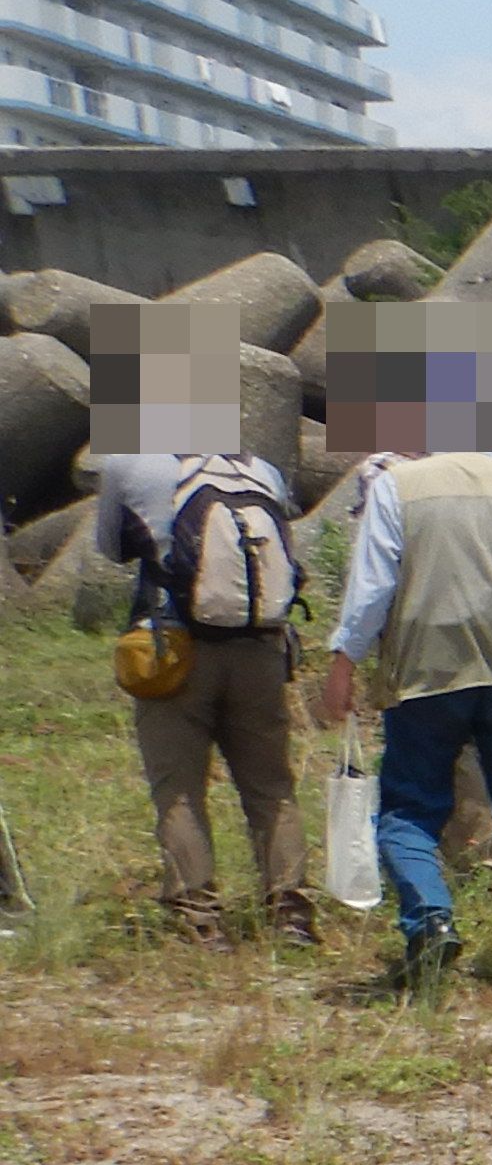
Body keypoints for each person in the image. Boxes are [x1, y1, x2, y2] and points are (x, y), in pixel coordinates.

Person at [307, 301, 492, 1000]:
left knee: (406, 810)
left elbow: (371, 591)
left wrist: (341, 664)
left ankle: (430, 923)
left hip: (427, 675)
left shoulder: (395, 487)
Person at [89, 308, 312, 950]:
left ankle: (200, 921)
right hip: (262, 650)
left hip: (173, 649)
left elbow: (110, 550)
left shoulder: (132, 462)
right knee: (270, 786)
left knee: (179, 789)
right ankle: (291, 914)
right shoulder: (258, 469)